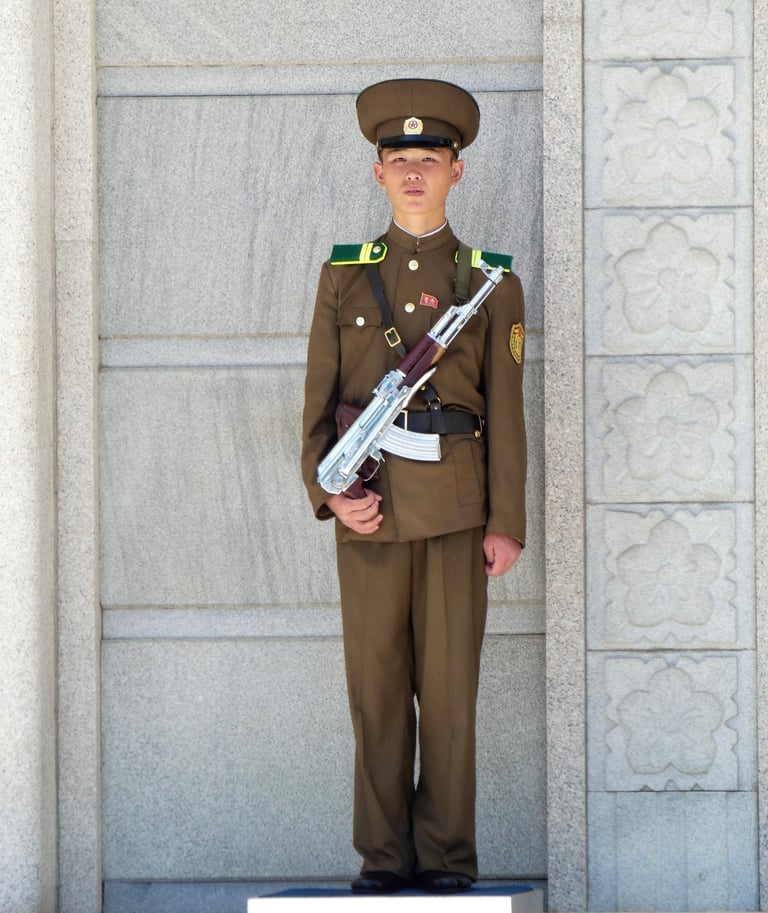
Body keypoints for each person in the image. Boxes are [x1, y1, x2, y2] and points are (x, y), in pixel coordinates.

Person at [301, 78, 527, 895]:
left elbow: (507, 410)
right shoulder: (344, 275)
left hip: (458, 511)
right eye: (398, 161)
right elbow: (318, 399)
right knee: (376, 690)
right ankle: (383, 857)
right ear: (378, 173)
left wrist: (507, 520)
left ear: (456, 172)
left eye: (429, 160)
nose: (413, 173)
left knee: (450, 693)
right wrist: (329, 492)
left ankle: (447, 858)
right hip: (369, 512)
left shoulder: (489, 282)